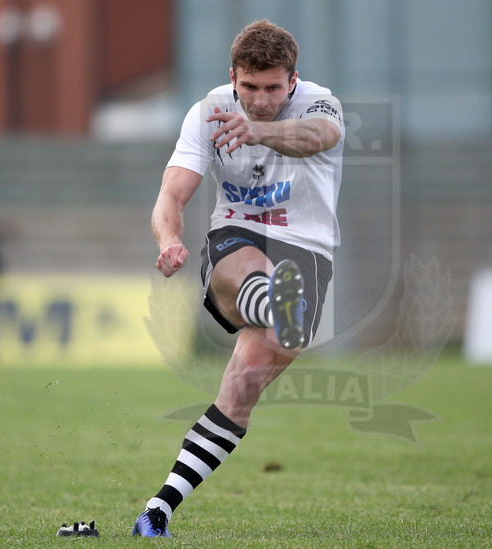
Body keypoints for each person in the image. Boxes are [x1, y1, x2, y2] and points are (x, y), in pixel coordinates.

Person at [133, 19, 345, 538]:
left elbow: (317, 137)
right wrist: (169, 241)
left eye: (273, 88)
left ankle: (158, 509)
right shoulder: (207, 112)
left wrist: (259, 130)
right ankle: (276, 301)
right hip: (237, 236)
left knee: (241, 390)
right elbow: (171, 195)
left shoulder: (321, 103)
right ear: (233, 76)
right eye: (249, 87)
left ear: (293, 81)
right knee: (250, 267)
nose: (260, 99)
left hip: (308, 249)